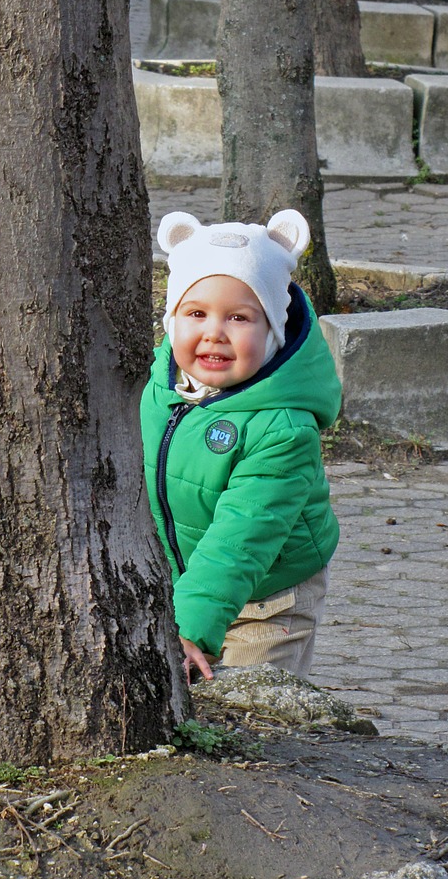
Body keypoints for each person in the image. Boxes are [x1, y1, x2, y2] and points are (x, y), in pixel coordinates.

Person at [140, 208, 342, 684]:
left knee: (254, 714)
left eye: (239, 317)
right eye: (195, 313)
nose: (214, 332)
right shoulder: (156, 383)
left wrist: (189, 627)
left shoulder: (284, 428)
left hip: (269, 599)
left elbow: (242, 540)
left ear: (272, 330)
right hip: (183, 583)